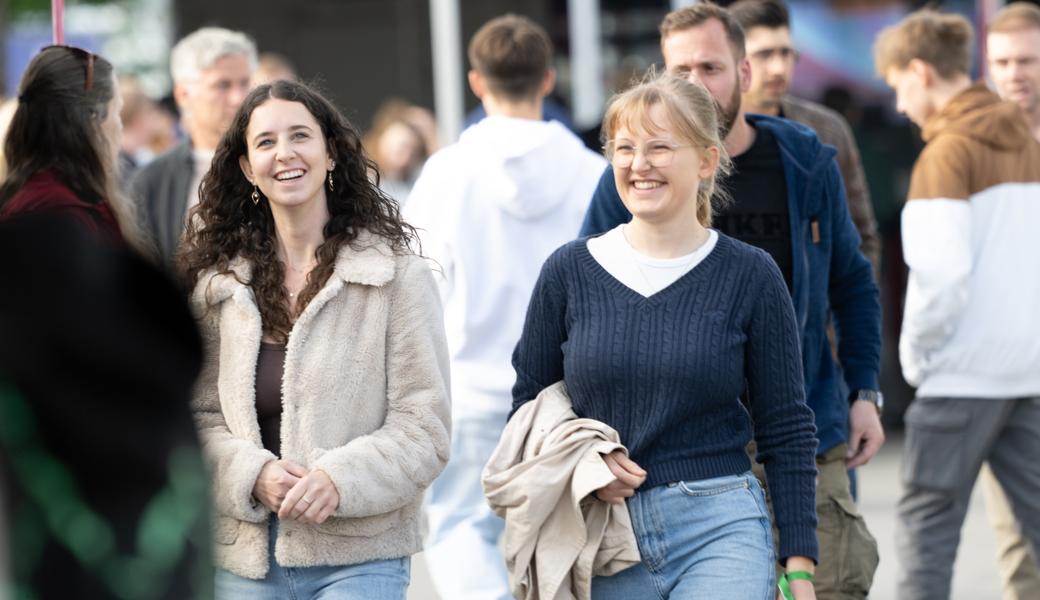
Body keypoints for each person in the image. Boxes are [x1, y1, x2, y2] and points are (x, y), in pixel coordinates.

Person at [579, 4, 883, 597]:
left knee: (831, 582)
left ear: (744, 70)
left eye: (710, 67)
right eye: (679, 70)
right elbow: (588, 304)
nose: (695, 85)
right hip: (682, 443)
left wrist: (864, 389)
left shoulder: (805, 160)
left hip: (804, 422)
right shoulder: (635, 175)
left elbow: (852, 281)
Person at [512, 73, 820, 599]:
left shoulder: (751, 274)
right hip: (602, 535)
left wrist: (799, 567)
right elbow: (528, 407)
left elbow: (786, 427)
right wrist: (585, 463)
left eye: (659, 147)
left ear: (706, 160)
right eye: (625, 148)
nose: (639, 164)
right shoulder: (567, 272)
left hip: (721, 526)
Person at [177, 80, 451, 598]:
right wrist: (250, 474)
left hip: (361, 555)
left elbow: (425, 428)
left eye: (300, 135)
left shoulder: (399, 279)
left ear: (330, 153)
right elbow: (193, 419)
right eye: (265, 142)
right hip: (246, 559)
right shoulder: (217, 290)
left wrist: (337, 480)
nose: (285, 153)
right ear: (246, 168)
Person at [402, 14, 607, 600]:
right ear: (549, 79)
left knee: (458, 526)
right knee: (566, 539)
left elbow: (416, 285)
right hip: (569, 395)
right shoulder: (595, 175)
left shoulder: (446, 173)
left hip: (468, 388)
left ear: (475, 81)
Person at [875, 9, 1040, 600]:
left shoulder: (945, 153)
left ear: (919, 72)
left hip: (961, 373)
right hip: (1026, 371)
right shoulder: (1025, 138)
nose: (899, 106)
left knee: (927, 530)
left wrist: (916, 358)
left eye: (898, 87)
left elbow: (941, 277)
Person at [729, 0, 881, 276]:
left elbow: (860, 236)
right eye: (764, 54)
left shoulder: (827, 131)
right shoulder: (707, 135)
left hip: (811, 314)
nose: (778, 67)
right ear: (735, 62)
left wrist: (840, 316)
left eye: (786, 53)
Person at [981, 5, 1040, 599]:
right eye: (1002, 62)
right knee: (1022, 543)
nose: (1014, 73)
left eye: (1027, 59)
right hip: (1011, 378)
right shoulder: (972, 149)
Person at [0, 45, 148, 252]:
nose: (120, 124)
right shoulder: (61, 213)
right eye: (118, 111)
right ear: (92, 119)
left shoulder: (41, 197)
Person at [133, 27, 257, 271]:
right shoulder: (151, 181)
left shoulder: (277, 163)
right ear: (183, 94)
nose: (238, 98)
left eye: (245, 83)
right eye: (222, 85)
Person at [363, 98, 439, 205]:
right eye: (404, 146)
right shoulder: (356, 168)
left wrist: (431, 134)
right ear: (387, 128)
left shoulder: (404, 188)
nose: (405, 158)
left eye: (412, 155)